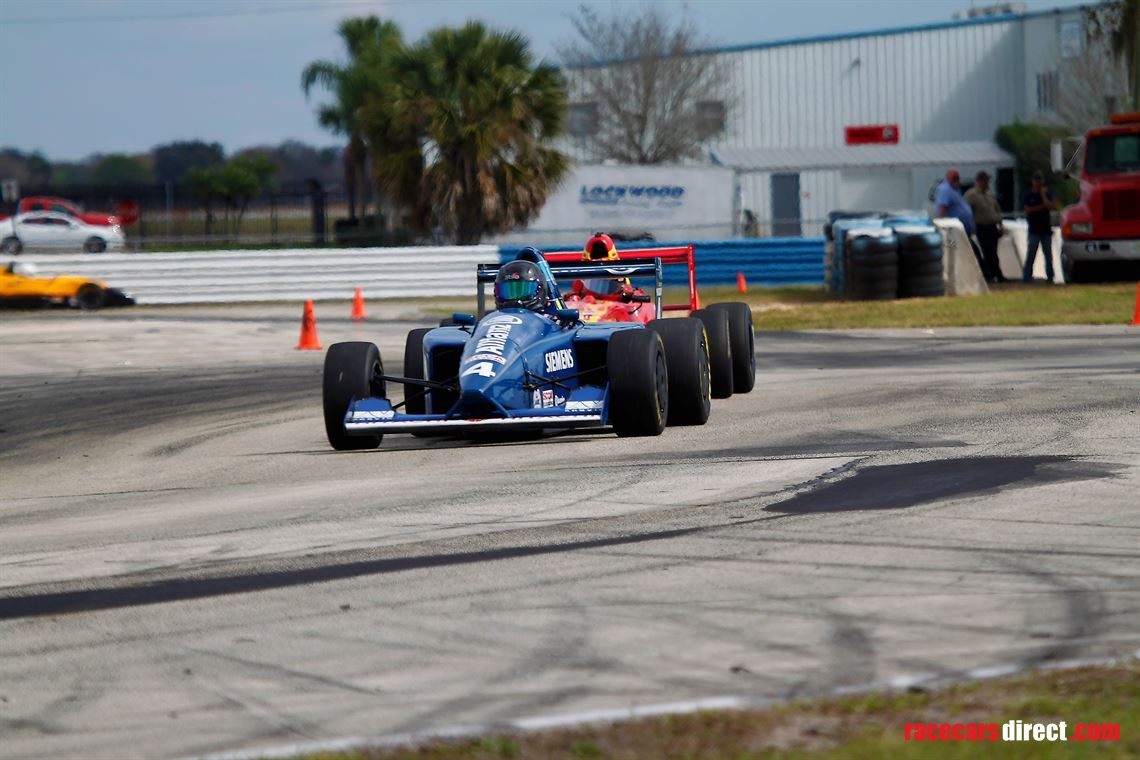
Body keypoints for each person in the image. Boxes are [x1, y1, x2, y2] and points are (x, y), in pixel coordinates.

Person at [964, 170, 1006, 282]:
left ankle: (992, 274)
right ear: (980, 181)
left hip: (993, 227)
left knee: (993, 252)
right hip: (982, 227)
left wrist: (1000, 225)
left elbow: (997, 210)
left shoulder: (989, 194)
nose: (987, 183)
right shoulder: (971, 195)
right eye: (986, 180)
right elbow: (966, 210)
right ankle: (995, 275)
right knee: (988, 252)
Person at [1021, 171, 1055, 283]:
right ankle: (1026, 277)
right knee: (1031, 254)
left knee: (1048, 255)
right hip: (1034, 229)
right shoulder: (1028, 195)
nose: (1038, 182)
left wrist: (1043, 195)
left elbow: (1050, 206)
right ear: (1033, 181)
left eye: (1039, 180)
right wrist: (1041, 207)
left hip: (1045, 230)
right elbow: (1028, 210)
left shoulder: (1047, 194)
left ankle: (1050, 277)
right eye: (1036, 180)